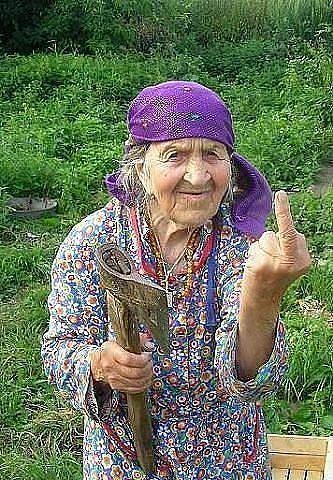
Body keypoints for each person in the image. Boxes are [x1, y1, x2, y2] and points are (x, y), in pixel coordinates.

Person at [41, 80, 311, 479]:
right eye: (175, 155)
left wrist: (262, 297)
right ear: (140, 167)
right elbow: (59, 347)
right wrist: (97, 365)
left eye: (212, 154)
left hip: (226, 457)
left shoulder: (240, 246)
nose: (199, 176)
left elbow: (250, 380)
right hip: (123, 457)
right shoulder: (91, 242)